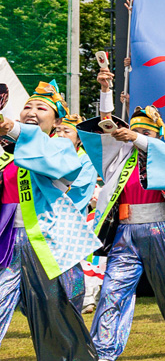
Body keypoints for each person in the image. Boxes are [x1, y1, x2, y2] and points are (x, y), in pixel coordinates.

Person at [82, 67, 165, 361]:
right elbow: (105, 127)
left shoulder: (163, 152)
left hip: (161, 230)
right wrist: (105, 91)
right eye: (135, 132)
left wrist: (141, 138)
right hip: (125, 232)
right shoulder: (118, 157)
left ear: (157, 137)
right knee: (113, 289)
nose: (137, 136)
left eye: (147, 133)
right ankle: (104, 354)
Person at [0, 82, 102, 361]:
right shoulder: (6, 148)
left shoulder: (57, 147)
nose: (32, 112)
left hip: (48, 240)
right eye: (28, 106)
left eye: (41, 108)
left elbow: (62, 168)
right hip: (6, 242)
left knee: (55, 307)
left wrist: (14, 129)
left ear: (56, 122)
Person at [51, 112, 98, 312]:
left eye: (67, 131)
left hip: (71, 218)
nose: (61, 134)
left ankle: (82, 299)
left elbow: (78, 189)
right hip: (47, 218)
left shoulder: (85, 161)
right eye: (58, 130)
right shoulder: (49, 155)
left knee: (73, 263)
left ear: (79, 138)